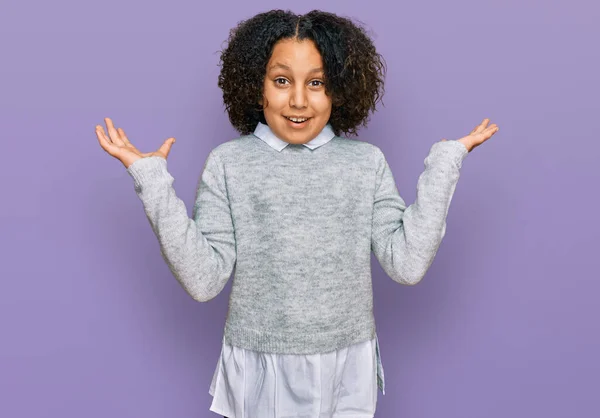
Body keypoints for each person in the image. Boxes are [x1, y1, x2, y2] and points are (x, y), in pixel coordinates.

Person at [95, 9, 499, 418]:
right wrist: (150, 179)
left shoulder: (365, 163)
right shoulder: (229, 163)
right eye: (282, 80)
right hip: (260, 364)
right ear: (257, 87)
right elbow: (203, 280)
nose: (300, 100)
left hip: (347, 362)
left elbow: (407, 264)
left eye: (317, 82)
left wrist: (446, 162)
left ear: (339, 90)